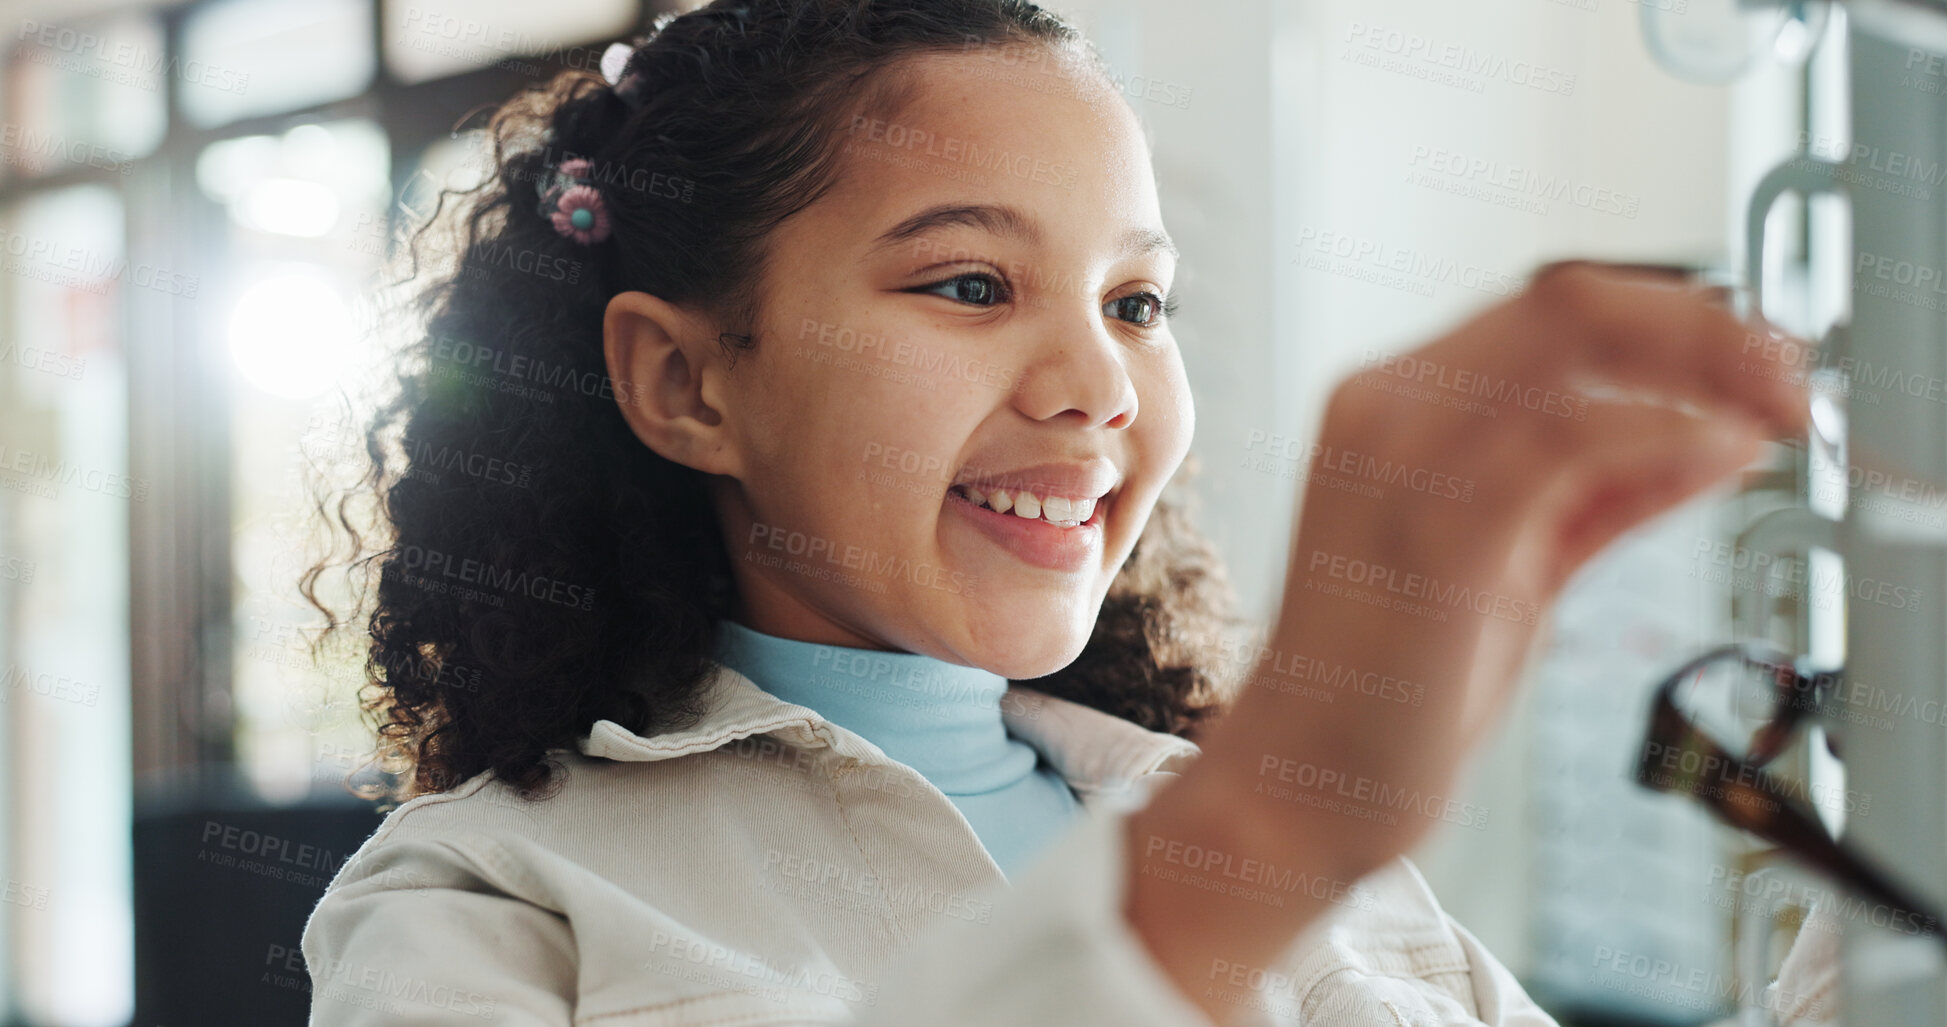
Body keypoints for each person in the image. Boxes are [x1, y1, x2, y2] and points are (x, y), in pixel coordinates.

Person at [295, 0, 1811, 1023]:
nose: (1103, 380)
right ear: (689, 382)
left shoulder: (1228, 824)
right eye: (969, 284)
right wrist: (1261, 832)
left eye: (1140, 300)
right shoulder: (487, 898)